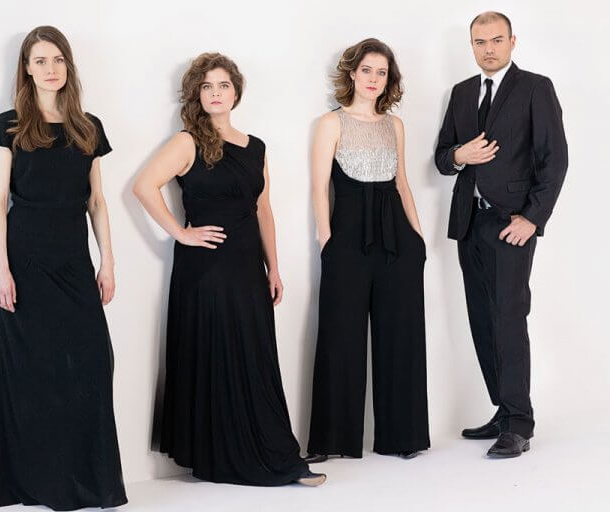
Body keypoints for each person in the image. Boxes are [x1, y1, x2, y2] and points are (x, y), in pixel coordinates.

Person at [133, 52, 325, 487]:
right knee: (216, 356)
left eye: (223, 85)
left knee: (256, 357)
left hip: (247, 266)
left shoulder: (256, 147)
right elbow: (143, 186)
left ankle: (272, 452)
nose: (216, 93)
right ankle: (221, 458)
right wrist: (181, 233)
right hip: (206, 268)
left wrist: (274, 267)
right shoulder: (187, 142)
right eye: (207, 87)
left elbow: (263, 209)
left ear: (236, 92)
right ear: (197, 95)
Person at [0, 26, 127, 508]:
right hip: (24, 261)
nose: (51, 69)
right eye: (41, 60)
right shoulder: (9, 125)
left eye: (58, 59)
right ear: (26, 69)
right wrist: (0, 268)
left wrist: (108, 262)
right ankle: (35, 482)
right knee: (34, 374)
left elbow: (97, 201)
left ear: (68, 66)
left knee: (93, 363)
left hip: (73, 262)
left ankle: (87, 481)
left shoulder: (88, 127)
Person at [435, 11, 568, 458]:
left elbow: (555, 159)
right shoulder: (460, 93)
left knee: (509, 318)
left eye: (496, 40)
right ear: (471, 46)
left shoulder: (535, 88)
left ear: (512, 41)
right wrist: (460, 154)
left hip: (512, 223)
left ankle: (519, 423)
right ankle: (502, 409)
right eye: (480, 42)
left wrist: (532, 218)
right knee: (482, 318)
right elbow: (442, 157)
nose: (488, 49)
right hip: (468, 223)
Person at [306, 38, 430, 463]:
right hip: (347, 238)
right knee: (340, 337)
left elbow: (402, 184)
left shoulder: (395, 125)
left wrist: (418, 239)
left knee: (402, 337)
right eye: (367, 70)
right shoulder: (331, 123)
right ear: (352, 73)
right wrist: (326, 239)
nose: (374, 79)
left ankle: (403, 437)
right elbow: (319, 187)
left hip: (398, 240)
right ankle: (332, 441)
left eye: (381, 72)